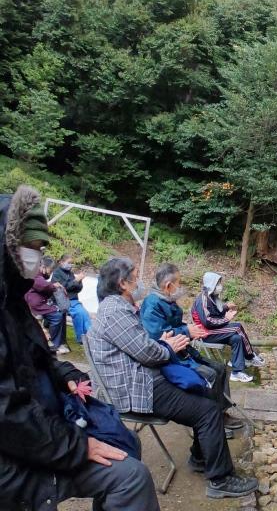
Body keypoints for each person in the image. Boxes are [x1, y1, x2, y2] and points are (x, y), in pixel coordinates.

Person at [0, 185, 160, 511]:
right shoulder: (117, 310)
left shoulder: (13, 303)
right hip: (17, 453)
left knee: (126, 443)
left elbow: (36, 361)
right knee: (131, 470)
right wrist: (76, 445)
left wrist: (67, 373)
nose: (37, 256)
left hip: (49, 420)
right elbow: (7, 414)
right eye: (31, 247)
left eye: (41, 247)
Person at [91, 257, 258, 499]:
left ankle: (201, 457)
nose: (140, 282)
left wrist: (166, 344)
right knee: (208, 411)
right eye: (135, 277)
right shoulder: (116, 311)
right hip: (137, 388)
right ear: (122, 283)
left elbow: (144, 346)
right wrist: (168, 344)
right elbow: (148, 352)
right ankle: (220, 479)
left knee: (206, 389)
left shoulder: (117, 307)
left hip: (143, 378)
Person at [140, 263, 243, 430]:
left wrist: (190, 329)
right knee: (210, 374)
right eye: (178, 282)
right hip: (169, 358)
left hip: (184, 351)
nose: (179, 286)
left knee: (220, 368)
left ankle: (220, 412)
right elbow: (157, 336)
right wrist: (187, 330)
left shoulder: (167, 300)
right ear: (168, 285)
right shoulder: (152, 304)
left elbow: (174, 324)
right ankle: (212, 420)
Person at [192, 272, 264, 383]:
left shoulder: (210, 297)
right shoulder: (202, 299)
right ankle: (250, 356)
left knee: (237, 338)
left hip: (213, 331)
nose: (220, 286)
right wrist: (226, 319)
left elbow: (215, 313)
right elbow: (207, 321)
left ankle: (237, 372)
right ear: (211, 284)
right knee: (237, 327)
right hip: (206, 334)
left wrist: (226, 308)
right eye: (218, 283)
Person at [25, 254, 71, 353]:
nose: (51, 272)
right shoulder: (35, 274)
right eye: (50, 269)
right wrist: (54, 286)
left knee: (61, 313)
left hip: (40, 303)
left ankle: (58, 341)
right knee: (57, 315)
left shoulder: (38, 274)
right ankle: (54, 343)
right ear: (43, 267)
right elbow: (42, 286)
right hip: (35, 305)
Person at [53, 250, 92, 340]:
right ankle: (81, 338)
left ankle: (89, 337)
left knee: (85, 314)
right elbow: (63, 288)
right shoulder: (57, 273)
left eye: (72, 263)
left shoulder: (70, 273)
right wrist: (75, 281)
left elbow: (78, 289)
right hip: (63, 301)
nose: (71, 265)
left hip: (73, 300)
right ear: (61, 262)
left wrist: (80, 280)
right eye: (69, 263)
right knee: (79, 313)